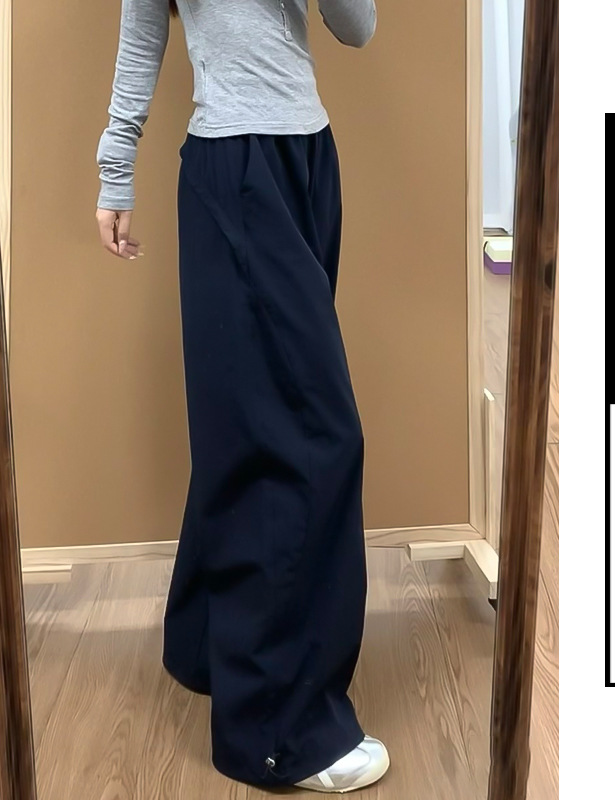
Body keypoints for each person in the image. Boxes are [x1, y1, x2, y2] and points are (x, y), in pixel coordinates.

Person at [94, 0, 388, 793]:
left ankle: (209, 648)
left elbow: (357, 27)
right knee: (307, 432)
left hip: (309, 155)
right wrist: (115, 164)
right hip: (234, 165)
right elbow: (143, 27)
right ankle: (280, 732)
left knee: (254, 416)